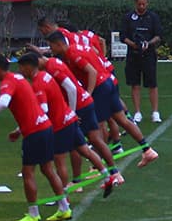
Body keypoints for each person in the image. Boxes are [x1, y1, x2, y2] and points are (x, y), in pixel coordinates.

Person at [0, 54, 72, 221]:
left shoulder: (8, 82)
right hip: (45, 127)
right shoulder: (19, 78)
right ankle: (64, 208)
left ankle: (33, 213)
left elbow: (3, 103)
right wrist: (19, 130)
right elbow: (31, 106)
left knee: (28, 172)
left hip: (34, 132)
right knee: (48, 169)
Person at [45, 29, 158, 177]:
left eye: (51, 46)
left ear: (59, 44)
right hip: (108, 81)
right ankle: (147, 150)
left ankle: (99, 167)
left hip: (100, 87)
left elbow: (91, 72)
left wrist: (89, 94)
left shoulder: (72, 53)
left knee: (97, 129)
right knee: (122, 120)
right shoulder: (78, 47)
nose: (51, 50)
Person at [16, 52, 112, 193]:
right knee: (85, 150)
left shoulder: (38, 83)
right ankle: (107, 176)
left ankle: (64, 199)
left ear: (29, 66)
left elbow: (44, 109)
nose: (20, 71)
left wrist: (24, 128)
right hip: (69, 118)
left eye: (21, 68)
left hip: (60, 123)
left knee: (59, 160)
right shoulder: (46, 75)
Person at [121, 0, 163, 124]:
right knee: (135, 84)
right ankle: (137, 112)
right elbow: (123, 36)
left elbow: (158, 35)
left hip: (149, 55)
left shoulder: (153, 17)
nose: (142, 6)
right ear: (135, 3)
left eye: (144, 4)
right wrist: (133, 44)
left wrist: (148, 44)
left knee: (152, 83)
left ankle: (155, 112)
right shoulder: (128, 17)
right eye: (139, 4)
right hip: (133, 56)